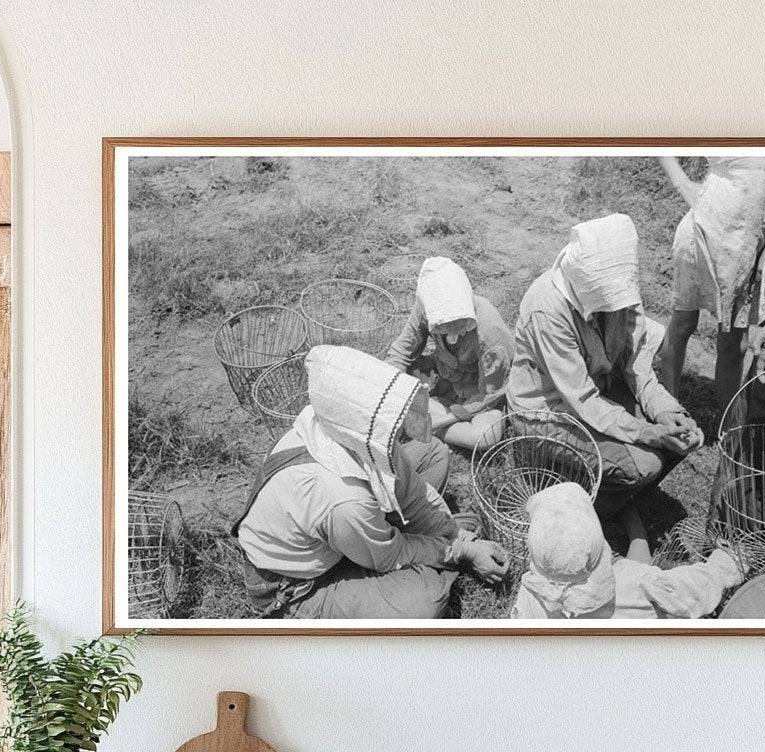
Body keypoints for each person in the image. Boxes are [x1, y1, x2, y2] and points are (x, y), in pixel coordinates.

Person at [233, 345, 509, 619]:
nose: (400, 427)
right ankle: (400, 566)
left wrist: (459, 537)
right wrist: (460, 552)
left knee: (432, 453)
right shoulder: (343, 498)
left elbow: (413, 493)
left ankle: (407, 544)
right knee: (424, 602)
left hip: (343, 533)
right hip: (296, 583)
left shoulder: (342, 429)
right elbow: (390, 555)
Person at [508, 213, 703, 513]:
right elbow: (580, 399)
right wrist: (645, 431)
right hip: (550, 412)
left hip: (599, 391)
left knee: (685, 435)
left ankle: (618, 495)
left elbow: (635, 366)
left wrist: (665, 411)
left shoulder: (619, 291)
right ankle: (591, 503)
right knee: (646, 464)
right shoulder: (547, 309)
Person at [657, 155, 765, 414]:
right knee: (683, 322)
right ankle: (668, 410)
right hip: (709, 226)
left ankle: (727, 427)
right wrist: (682, 183)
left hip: (756, 238)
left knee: (734, 343)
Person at [511, 483, 742, 620]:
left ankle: (634, 523)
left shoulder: (530, 593)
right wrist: (726, 563)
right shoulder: (638, 581)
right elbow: (694, 587)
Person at [386, 256, 514, 453]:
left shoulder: (490, 331)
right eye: (444, 328)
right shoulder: (426, 307)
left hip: (480, 394)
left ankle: (415, 422)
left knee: (485, 437)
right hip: (445, 375)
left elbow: (491, 394)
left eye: (460, 327)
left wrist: (443, 420)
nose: (453, 335)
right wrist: (389, 387)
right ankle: (413, 412)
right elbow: (402, 352)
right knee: (387, 374)